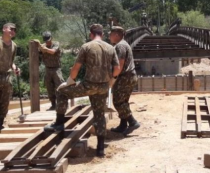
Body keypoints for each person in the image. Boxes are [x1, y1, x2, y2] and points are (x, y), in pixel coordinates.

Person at [44, 24, 120, 157]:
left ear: (91, 34)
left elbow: (76, 68)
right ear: (101, 34)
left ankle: (59, 123)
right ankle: (100, 149)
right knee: (99, 115)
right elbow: (117, 68)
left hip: (88, 85)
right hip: (103, 87)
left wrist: (69, 82)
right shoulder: (110, 48)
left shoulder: (87, 47)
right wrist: (111, 81)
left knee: (61, 92)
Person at [109, 26, 140, 136]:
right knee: (124, 101)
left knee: (118, 101)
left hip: (124, 77)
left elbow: (120, 64)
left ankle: (132, 122)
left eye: (111, 34)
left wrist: (113, 77)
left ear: (116, 35)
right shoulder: (124, 44)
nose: (109, 36)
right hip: (129, 76)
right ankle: (123, 125)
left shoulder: (120, 46)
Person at [36, 31, 64, 110]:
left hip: (56, 69)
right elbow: (38, 54)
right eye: (46, 40)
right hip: (48, 69)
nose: (47, 42)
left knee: (60, 86)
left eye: (48, 40)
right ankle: (53, 104)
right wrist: (39, 47)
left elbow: (53, 51)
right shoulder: (43, 46)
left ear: (51, 38)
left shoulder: (55, 44)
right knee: (49, 88)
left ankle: (62, 103)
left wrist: (42, 47)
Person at [0, 23, 20, 129]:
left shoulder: (14, 45)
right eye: (10, 29)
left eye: (14, 30)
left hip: (6, 77)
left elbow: (11, 61)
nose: (12, 31)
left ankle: (1, 122)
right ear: (4, 29)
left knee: (5, 101)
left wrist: (15, 68)